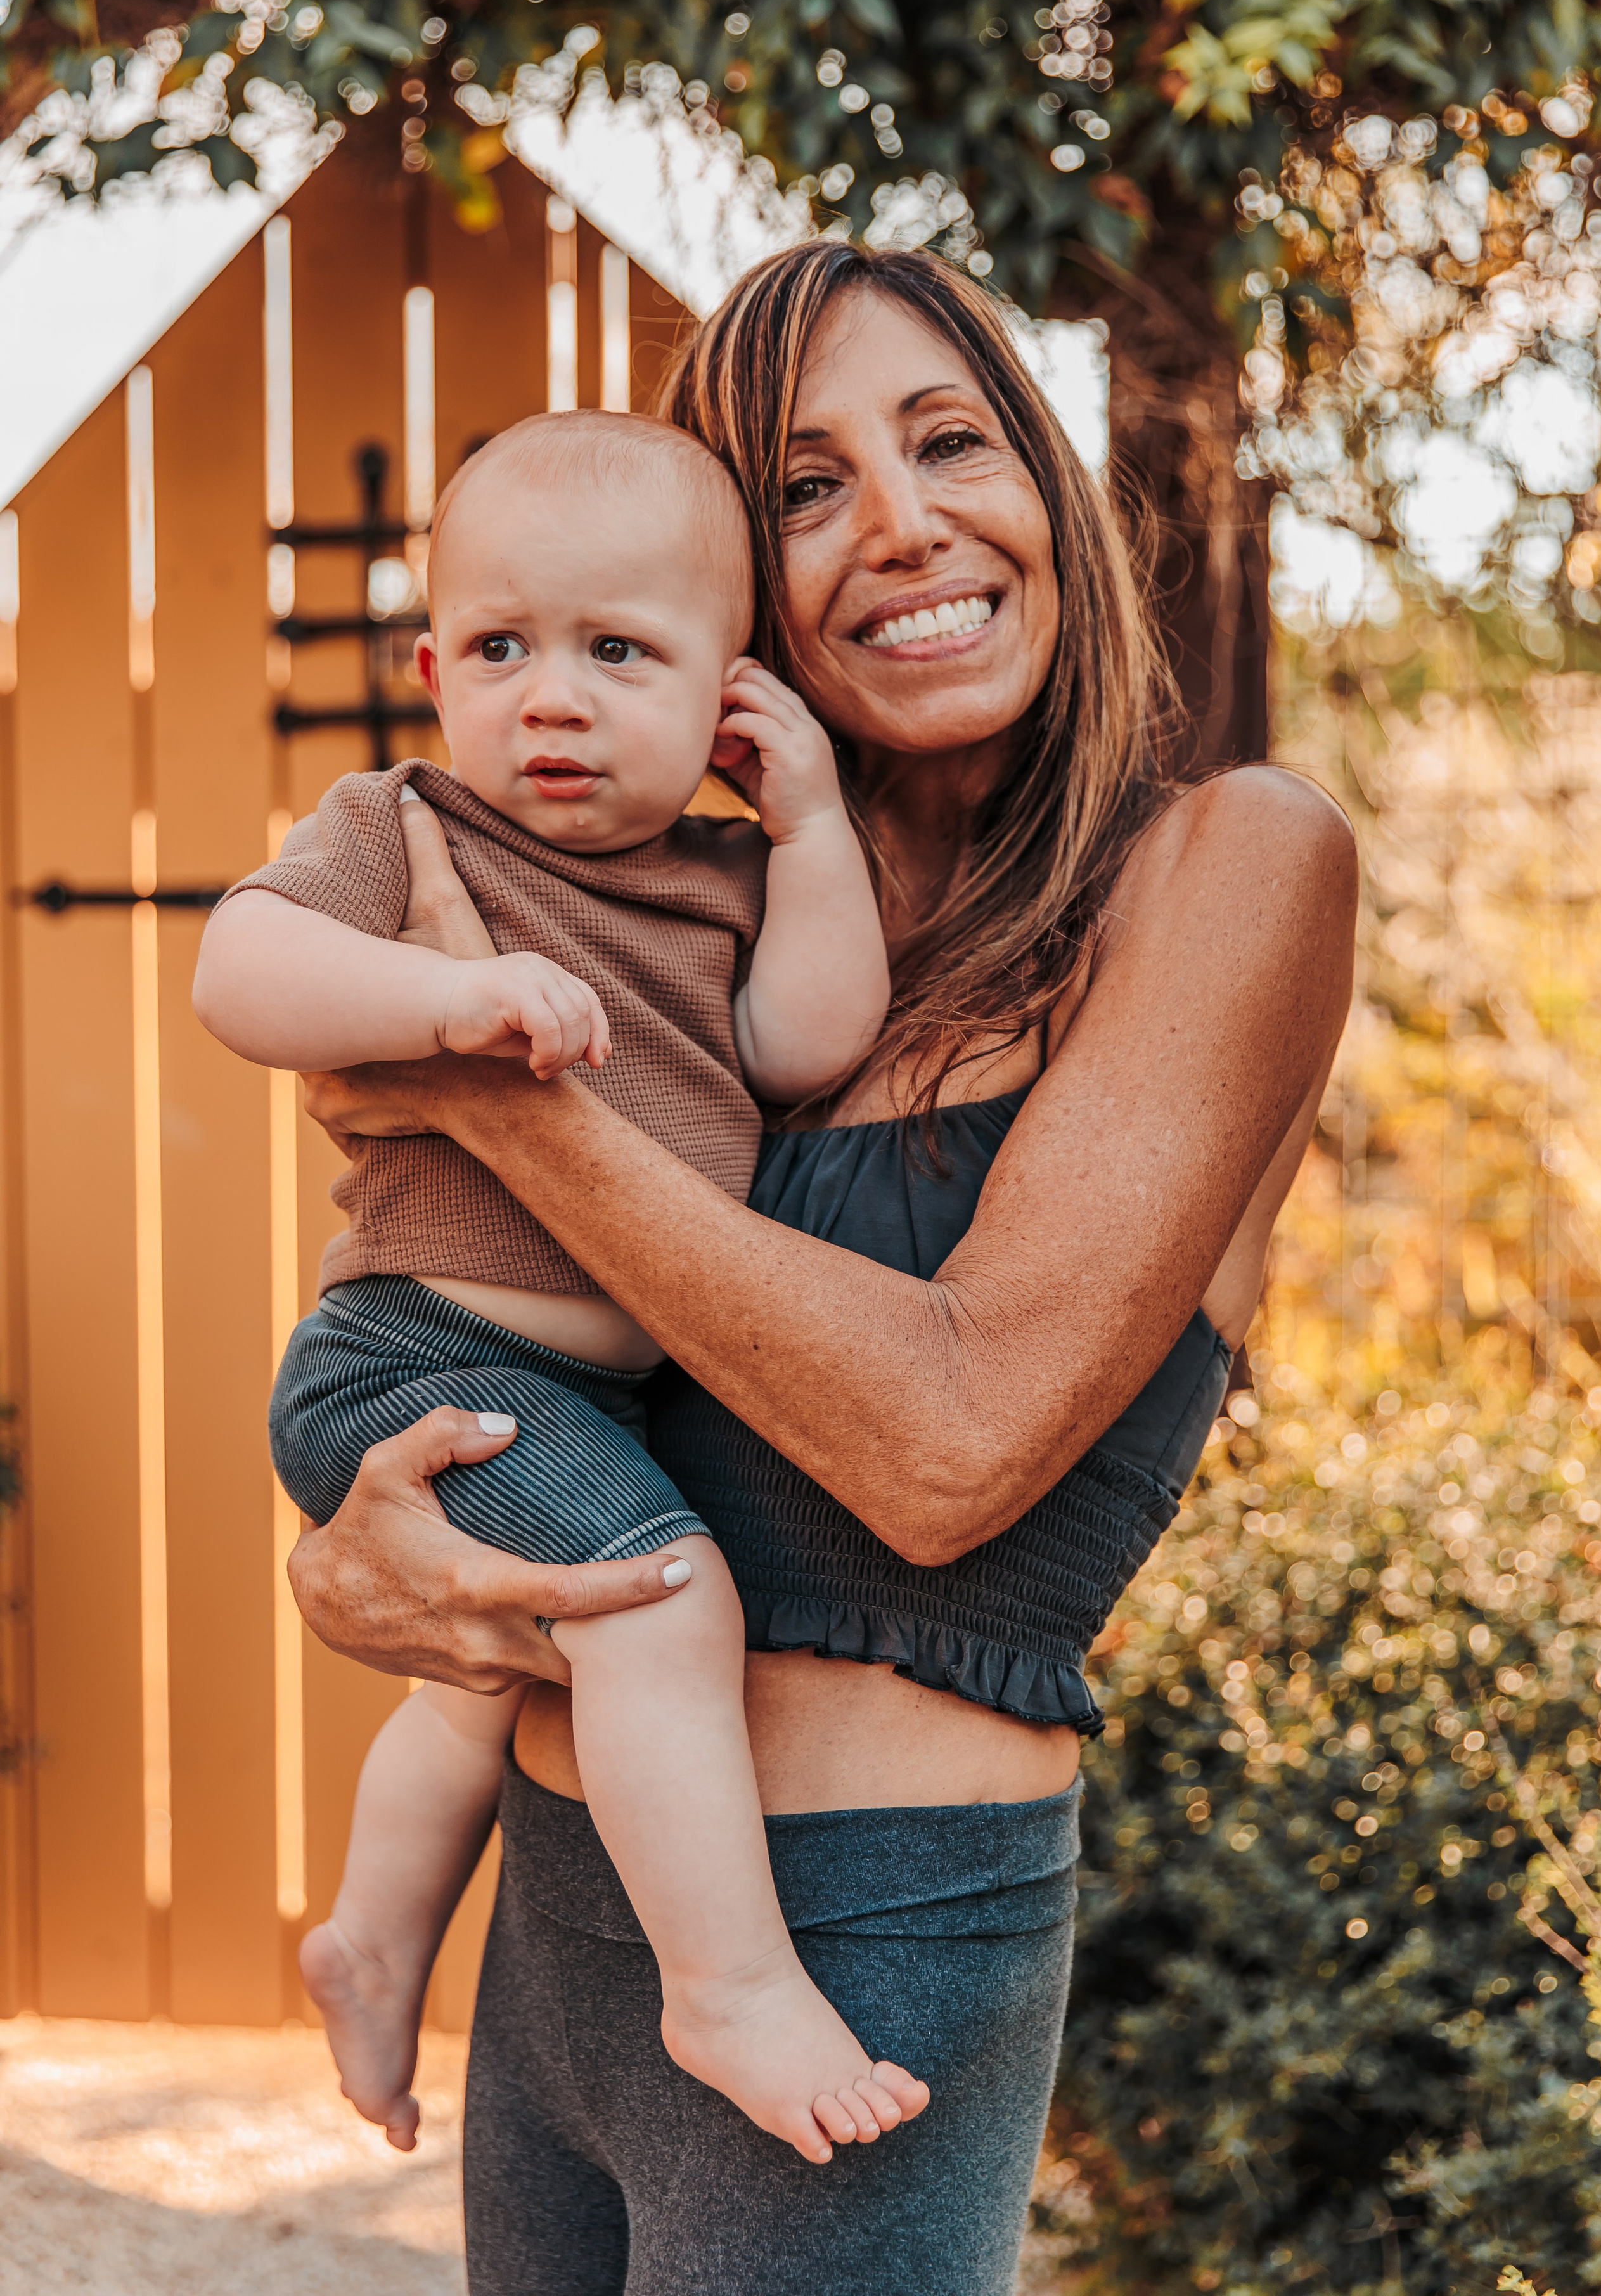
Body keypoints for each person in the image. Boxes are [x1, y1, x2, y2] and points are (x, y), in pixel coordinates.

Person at [288, 240, 1358, 2296]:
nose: (902, 524)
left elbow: (955, 1442)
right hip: (570, 1904)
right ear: (730, 595)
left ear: (1046, 490)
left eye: (951, 441)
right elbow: (452, 1340)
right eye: (801, 486)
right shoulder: (715, 931)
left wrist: (508, 1100)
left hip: (869, 1937)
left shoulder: (1229, 865)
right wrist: (361, 1559)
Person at [193, 410, 927, 2164]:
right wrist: (445, 1004)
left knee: (501, 1677)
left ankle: (372, 1946)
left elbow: (808, 1040)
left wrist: (812, 823)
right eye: (506, 651)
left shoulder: (727, 881)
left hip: (586, 1395)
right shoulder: (403, 827)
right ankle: (731, 1989)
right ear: (434, 672)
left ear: (727, 696)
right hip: (408, 1359)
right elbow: (240, 969)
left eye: (621, 654)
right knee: (660, 1604)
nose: (556, 699)